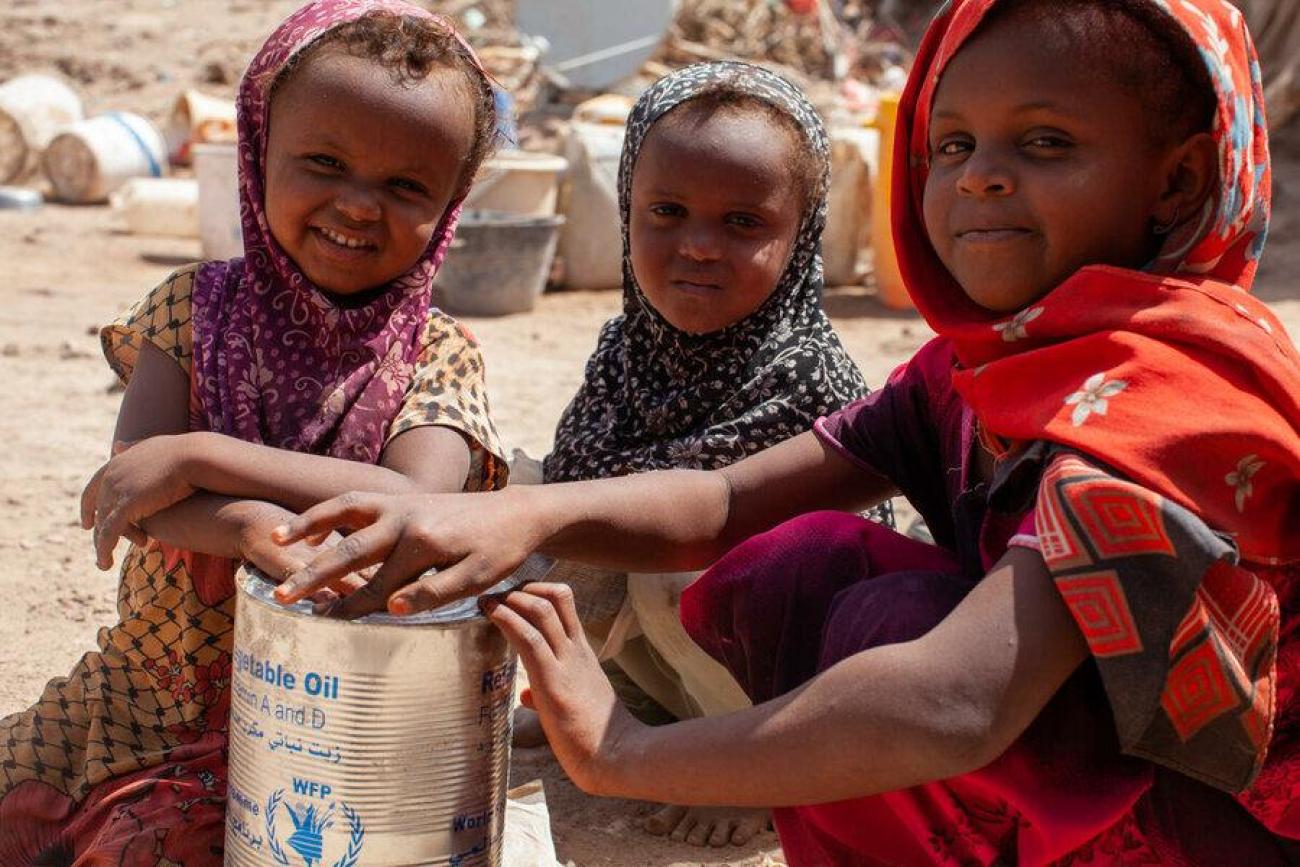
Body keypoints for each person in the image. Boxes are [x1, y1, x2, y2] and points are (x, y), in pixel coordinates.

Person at [272, 0, 1300, 862]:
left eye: (1043, 144)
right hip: (1077, 770)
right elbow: (727, 501)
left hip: (1209, 824)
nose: (979, 177)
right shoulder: (977, 371)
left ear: (1176, 182)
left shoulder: (1168, 408)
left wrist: (623, 751)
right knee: (797, 565)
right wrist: (509, 517)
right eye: (951, 144)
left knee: (892, 628)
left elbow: (957, 705)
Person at [0, 2, 505, 863]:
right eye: (324, 162)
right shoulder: (191, 310)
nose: (357, 204)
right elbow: (133, 489)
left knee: (152, 847)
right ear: (256, 150)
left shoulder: (438, 354)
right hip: (143, 692)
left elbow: (416, 500)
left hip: (328, 725)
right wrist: (233, 525)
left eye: (405, 186)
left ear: (450, 205)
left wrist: (202, 458)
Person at [529, 61, 891, 847]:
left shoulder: (803, 375)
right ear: (627, 210)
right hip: (684, 663)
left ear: (801, 238)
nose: (697, 246)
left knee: (681, 554)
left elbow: (806, 579)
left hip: (793, 689)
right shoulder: (627, 351)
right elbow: (573, 497)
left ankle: (750, 771)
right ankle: (600, 709)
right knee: (533, 501)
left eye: (742, 223)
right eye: (666, 210)